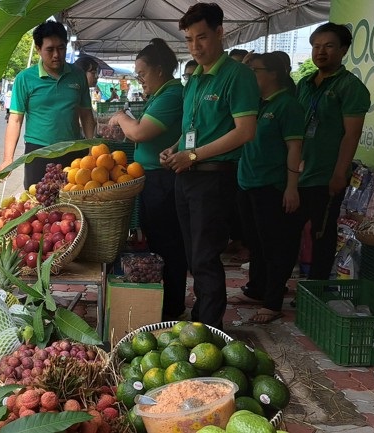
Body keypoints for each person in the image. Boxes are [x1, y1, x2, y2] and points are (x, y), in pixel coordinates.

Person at [160, 2, 259, 330]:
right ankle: (201, 316)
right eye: (189, 40)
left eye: (201, 37)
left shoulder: (237, 75)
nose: (195, 46)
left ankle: (210, 330)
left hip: (214, 179)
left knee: (205, 258)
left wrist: (194, 156)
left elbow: (245, 131)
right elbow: (194, 131)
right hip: (186, 176)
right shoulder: (196, 78)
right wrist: (175, 149)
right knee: (193, 257)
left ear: (220, 32)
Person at [108, 38, 188, 321]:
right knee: (159, 243)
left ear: (160, 69)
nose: (139, 79)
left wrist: (119, 117)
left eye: (142, 73)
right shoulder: (161, 94)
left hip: (164, 180)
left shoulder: (171, 95)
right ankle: (165, 301)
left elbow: (141, 132)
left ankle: (171, 306)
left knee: (169, 246)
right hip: (154, 178)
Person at [229, 52, 305, 323]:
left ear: (274, 73)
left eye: (255, 71)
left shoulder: (287, 105)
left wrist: (291, 187)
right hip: (247, 183)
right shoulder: (256, 104)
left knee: (276, 247)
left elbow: (295, 148)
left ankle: (273, 302)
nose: (250, 76)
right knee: (256, 243)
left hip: (272, 186)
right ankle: (256, 289)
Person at [296, 22, 370, 280]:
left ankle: (315, 287)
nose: (321, 52)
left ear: (344, 49)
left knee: (321, 233)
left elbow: (352, 134)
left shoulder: (350, 87)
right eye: (316, 46)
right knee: (290, 231)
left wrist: (339, 174)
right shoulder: (305, 84)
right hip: (298, 173)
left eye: (328, 46)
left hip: (326, 175)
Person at [0, 20, 96, 189]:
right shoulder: (25, 78)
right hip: (38, 153)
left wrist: (91, 148)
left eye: (61, 48)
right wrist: (8, 159)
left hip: (72, 150)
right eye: (50, 49)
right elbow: (15, 120)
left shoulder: (78, 75)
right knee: (39, 204)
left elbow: (86, 115)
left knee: (73, 204)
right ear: (38, 49)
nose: (56, 54)